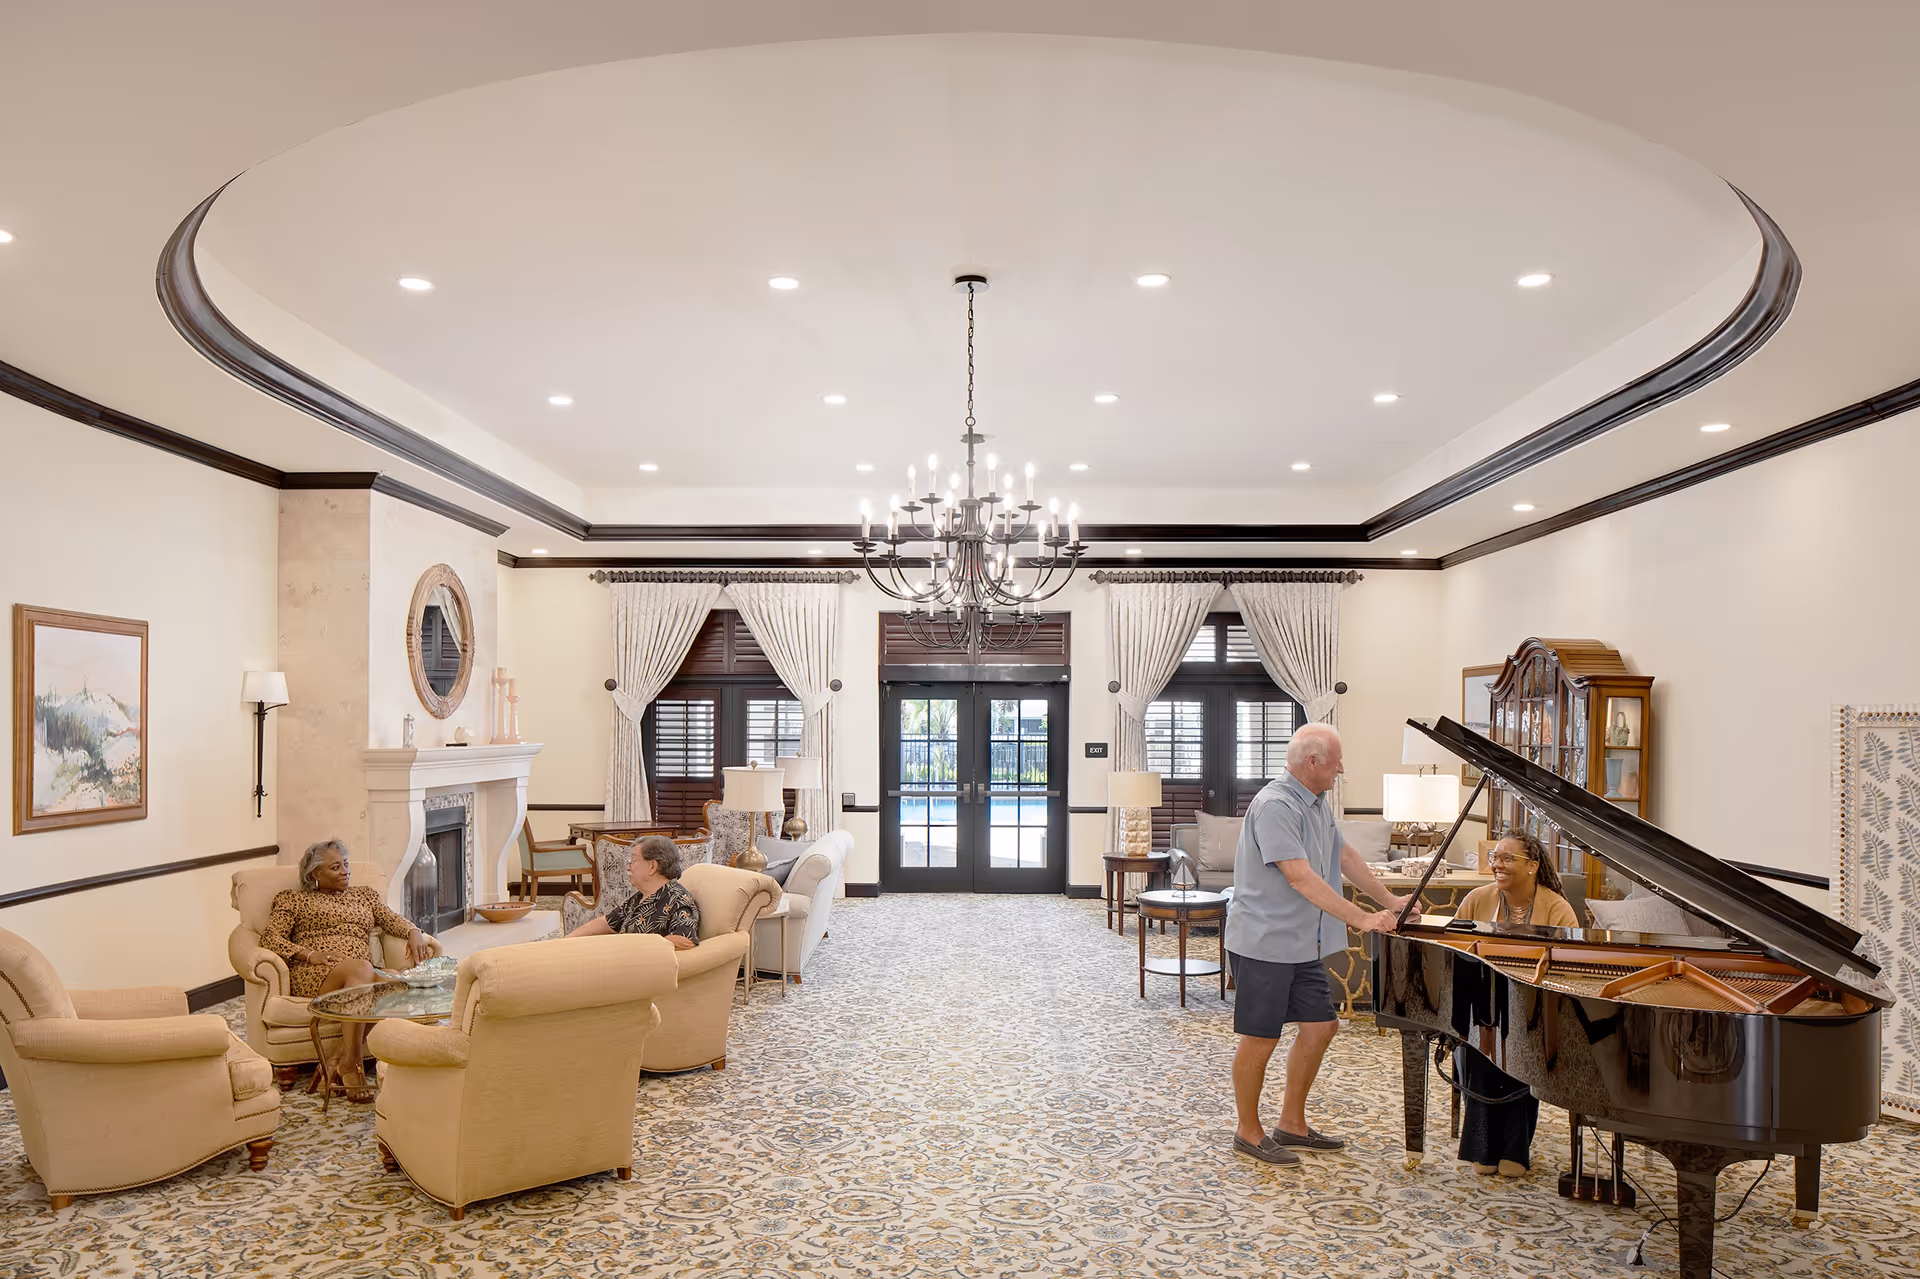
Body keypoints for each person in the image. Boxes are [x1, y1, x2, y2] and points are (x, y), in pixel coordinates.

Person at [1226, 723, 1413, 1166]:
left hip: (1299, 944)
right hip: (1263, 943)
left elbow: (1343, 856)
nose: (1341, 769)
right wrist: (1362, 919)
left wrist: (1391, 901)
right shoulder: (1275, 806)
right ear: (1312, 762)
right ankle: (1247, 1131)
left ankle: (1291, 1124)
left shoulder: (1315, 802)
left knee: (1321, 1027)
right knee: (1261, 1039)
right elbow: (1301, 878)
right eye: (1336, 762)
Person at [259, 838, 430, 1103]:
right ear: (315, 874)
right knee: (362, 969)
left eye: (346, 864)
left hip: (362, 973)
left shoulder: (364, 896)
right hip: (317, 973)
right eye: (335, 867)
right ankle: (352, 1065)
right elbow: (270, 938)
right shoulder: (294, 900)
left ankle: (337, 1059)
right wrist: (310, 954)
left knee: (398, 981)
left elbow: (391, 919)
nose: (345, 871)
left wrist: (414, 931)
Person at [1451, 829, 1580, 1176]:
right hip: (1484, 1005)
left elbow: (1570, 964)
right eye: (1494, 857)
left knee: (1522, 1046)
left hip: (1535, 1006)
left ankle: (1514, 1148)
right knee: (1480, 1039)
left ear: (1532, 865)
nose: (1497, 864)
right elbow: (1456, 951)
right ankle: (1481, 1147)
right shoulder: (1477, 899)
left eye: (1508, 858)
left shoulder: (1557, 907)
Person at [565, 835, 701, 948]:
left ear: (652, 867)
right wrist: (566, 941)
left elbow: (685, 940)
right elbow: (607, 922)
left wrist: (635, 946)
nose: (628, 867)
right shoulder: (641, 897)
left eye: (633, 860)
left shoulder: (678, 900)